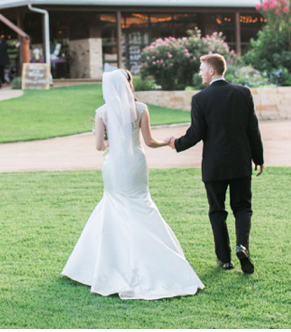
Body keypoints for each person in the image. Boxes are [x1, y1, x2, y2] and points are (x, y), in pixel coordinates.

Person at [62, 69, 204, 300]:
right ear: (128, 84)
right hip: (136, 163)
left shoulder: (102, 113)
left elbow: (100, 146)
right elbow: (148, 141)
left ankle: (109, 264)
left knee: (114, 205)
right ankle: (158, 257)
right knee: (141, 204)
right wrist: (166, 141)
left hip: (115, 165)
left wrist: (105, 134)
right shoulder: (140, 109)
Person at [167, 53, 264, 275]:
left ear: (211, 71)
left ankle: (225, 259)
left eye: (202, 69)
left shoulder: (200, 99)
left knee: (217, 211)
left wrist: (176, 144)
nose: (200, 72)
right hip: (240, 163)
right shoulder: (243, 93)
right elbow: (252, 129)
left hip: (214, 166)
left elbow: (196, 134)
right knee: (242, 207)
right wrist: (258, 158)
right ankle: (242, 246)